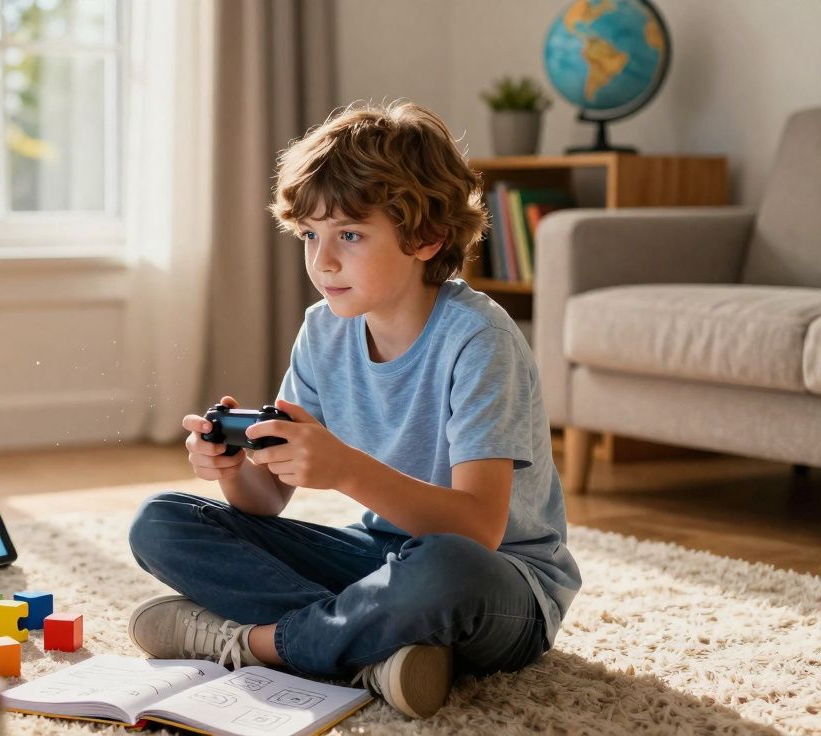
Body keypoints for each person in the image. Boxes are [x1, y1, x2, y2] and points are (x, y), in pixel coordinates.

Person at [126, 100, 582, 719]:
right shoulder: (323, 329)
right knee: (162, 520)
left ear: (426, 237)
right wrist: (234, 469)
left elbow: (478, 530)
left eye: (350, 235)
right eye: (311, 235)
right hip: (381, 564)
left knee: (443, 567)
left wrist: (345, 470)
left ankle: (261, 645)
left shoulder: (479, 338)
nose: (323, 260)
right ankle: (370, 650)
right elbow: (267, 501)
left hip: (498, 584)